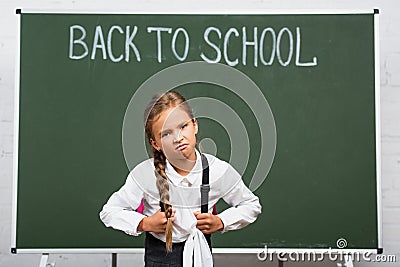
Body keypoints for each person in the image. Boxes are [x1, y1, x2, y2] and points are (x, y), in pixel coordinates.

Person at [99, 91, 261, 267]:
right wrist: (145, 223)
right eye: (166, 134)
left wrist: (222, 222)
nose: (178, 138)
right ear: (156, 144)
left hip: (199, 256)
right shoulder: (145, 174)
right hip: (159, 260)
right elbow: (109, 212)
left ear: (195, 125)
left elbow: (251, 205)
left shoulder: (217, 170)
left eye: (183, 126)